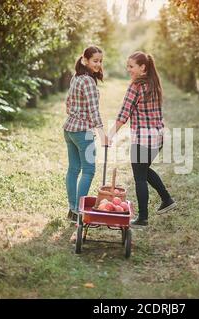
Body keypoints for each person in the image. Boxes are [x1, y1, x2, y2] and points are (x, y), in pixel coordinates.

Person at [109, 51, 176, 228]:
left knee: (139, 176)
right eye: (128, 66)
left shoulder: (136, 87)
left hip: (143, 139)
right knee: (144, 170)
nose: (128, 69)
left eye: (131, 66)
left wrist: (109, 135)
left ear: (142, 67)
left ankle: (143, 217)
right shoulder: (154, 84)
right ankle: (167, 199)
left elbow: (124, 114)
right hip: (158, 137)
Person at [63, 46, 108, 223]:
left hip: (69, 129)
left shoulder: (76, 77)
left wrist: (75, 113)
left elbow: (68, 102)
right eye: (95, 61)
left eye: (100, 61)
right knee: (88, 170)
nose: (98, 64)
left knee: (74, 169)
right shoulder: (88, 81)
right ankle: (79, 212)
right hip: (83, 132)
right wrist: (102, 133)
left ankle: (72, 210)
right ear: (85, 60)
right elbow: (94, 111)